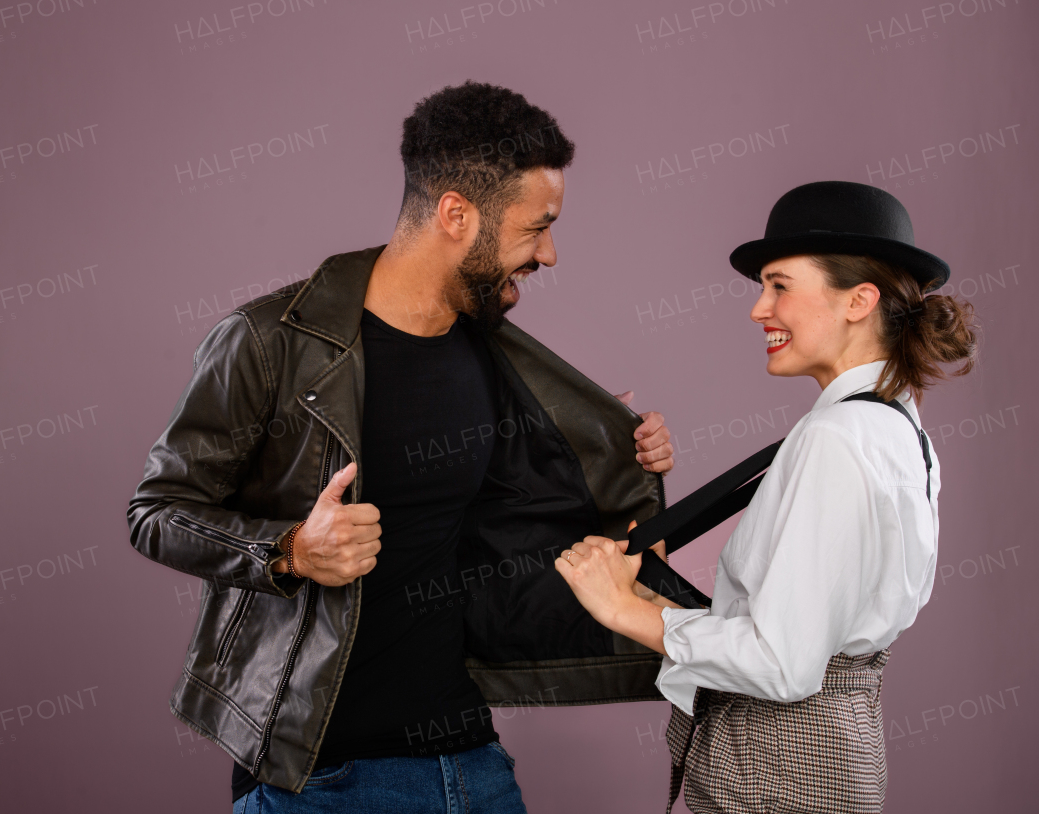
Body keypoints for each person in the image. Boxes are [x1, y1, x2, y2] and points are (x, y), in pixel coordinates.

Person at [127, 81, 677, 814]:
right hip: (322, 777)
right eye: (536, 226)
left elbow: (526, 531)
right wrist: (288, 549)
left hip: (472, 765)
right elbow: (156, 510)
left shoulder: (493, 356)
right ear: (457, 214)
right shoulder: (269, 343)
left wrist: (615, 453)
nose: (549, 253)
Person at [555, 181, 977, 813]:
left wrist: (628, 611)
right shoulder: (895, 426)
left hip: (776, 761)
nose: (759, 309)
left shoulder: (836, 437)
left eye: (780, 285)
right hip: (833, 745)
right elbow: (802, 635)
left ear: (860, 300)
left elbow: (781, 663)